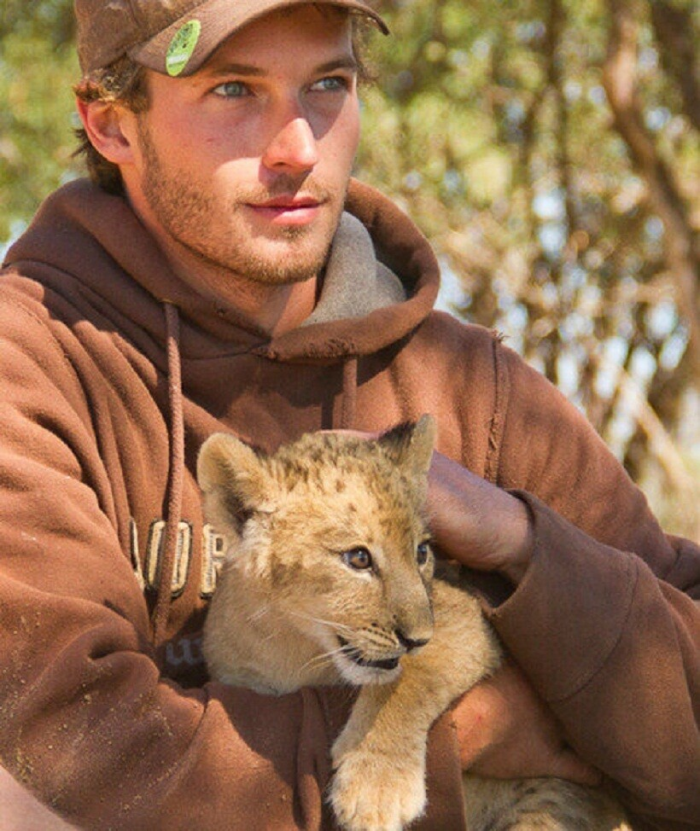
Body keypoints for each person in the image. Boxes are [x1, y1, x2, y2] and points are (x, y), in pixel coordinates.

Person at [0, 0, 697, 828]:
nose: (298, 147)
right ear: (111, 125)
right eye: (233, 90)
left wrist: (521, 541)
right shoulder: (30, 366)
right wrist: (475, 725)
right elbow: (73, 747)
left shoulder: (472, 386)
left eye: (328, 83)